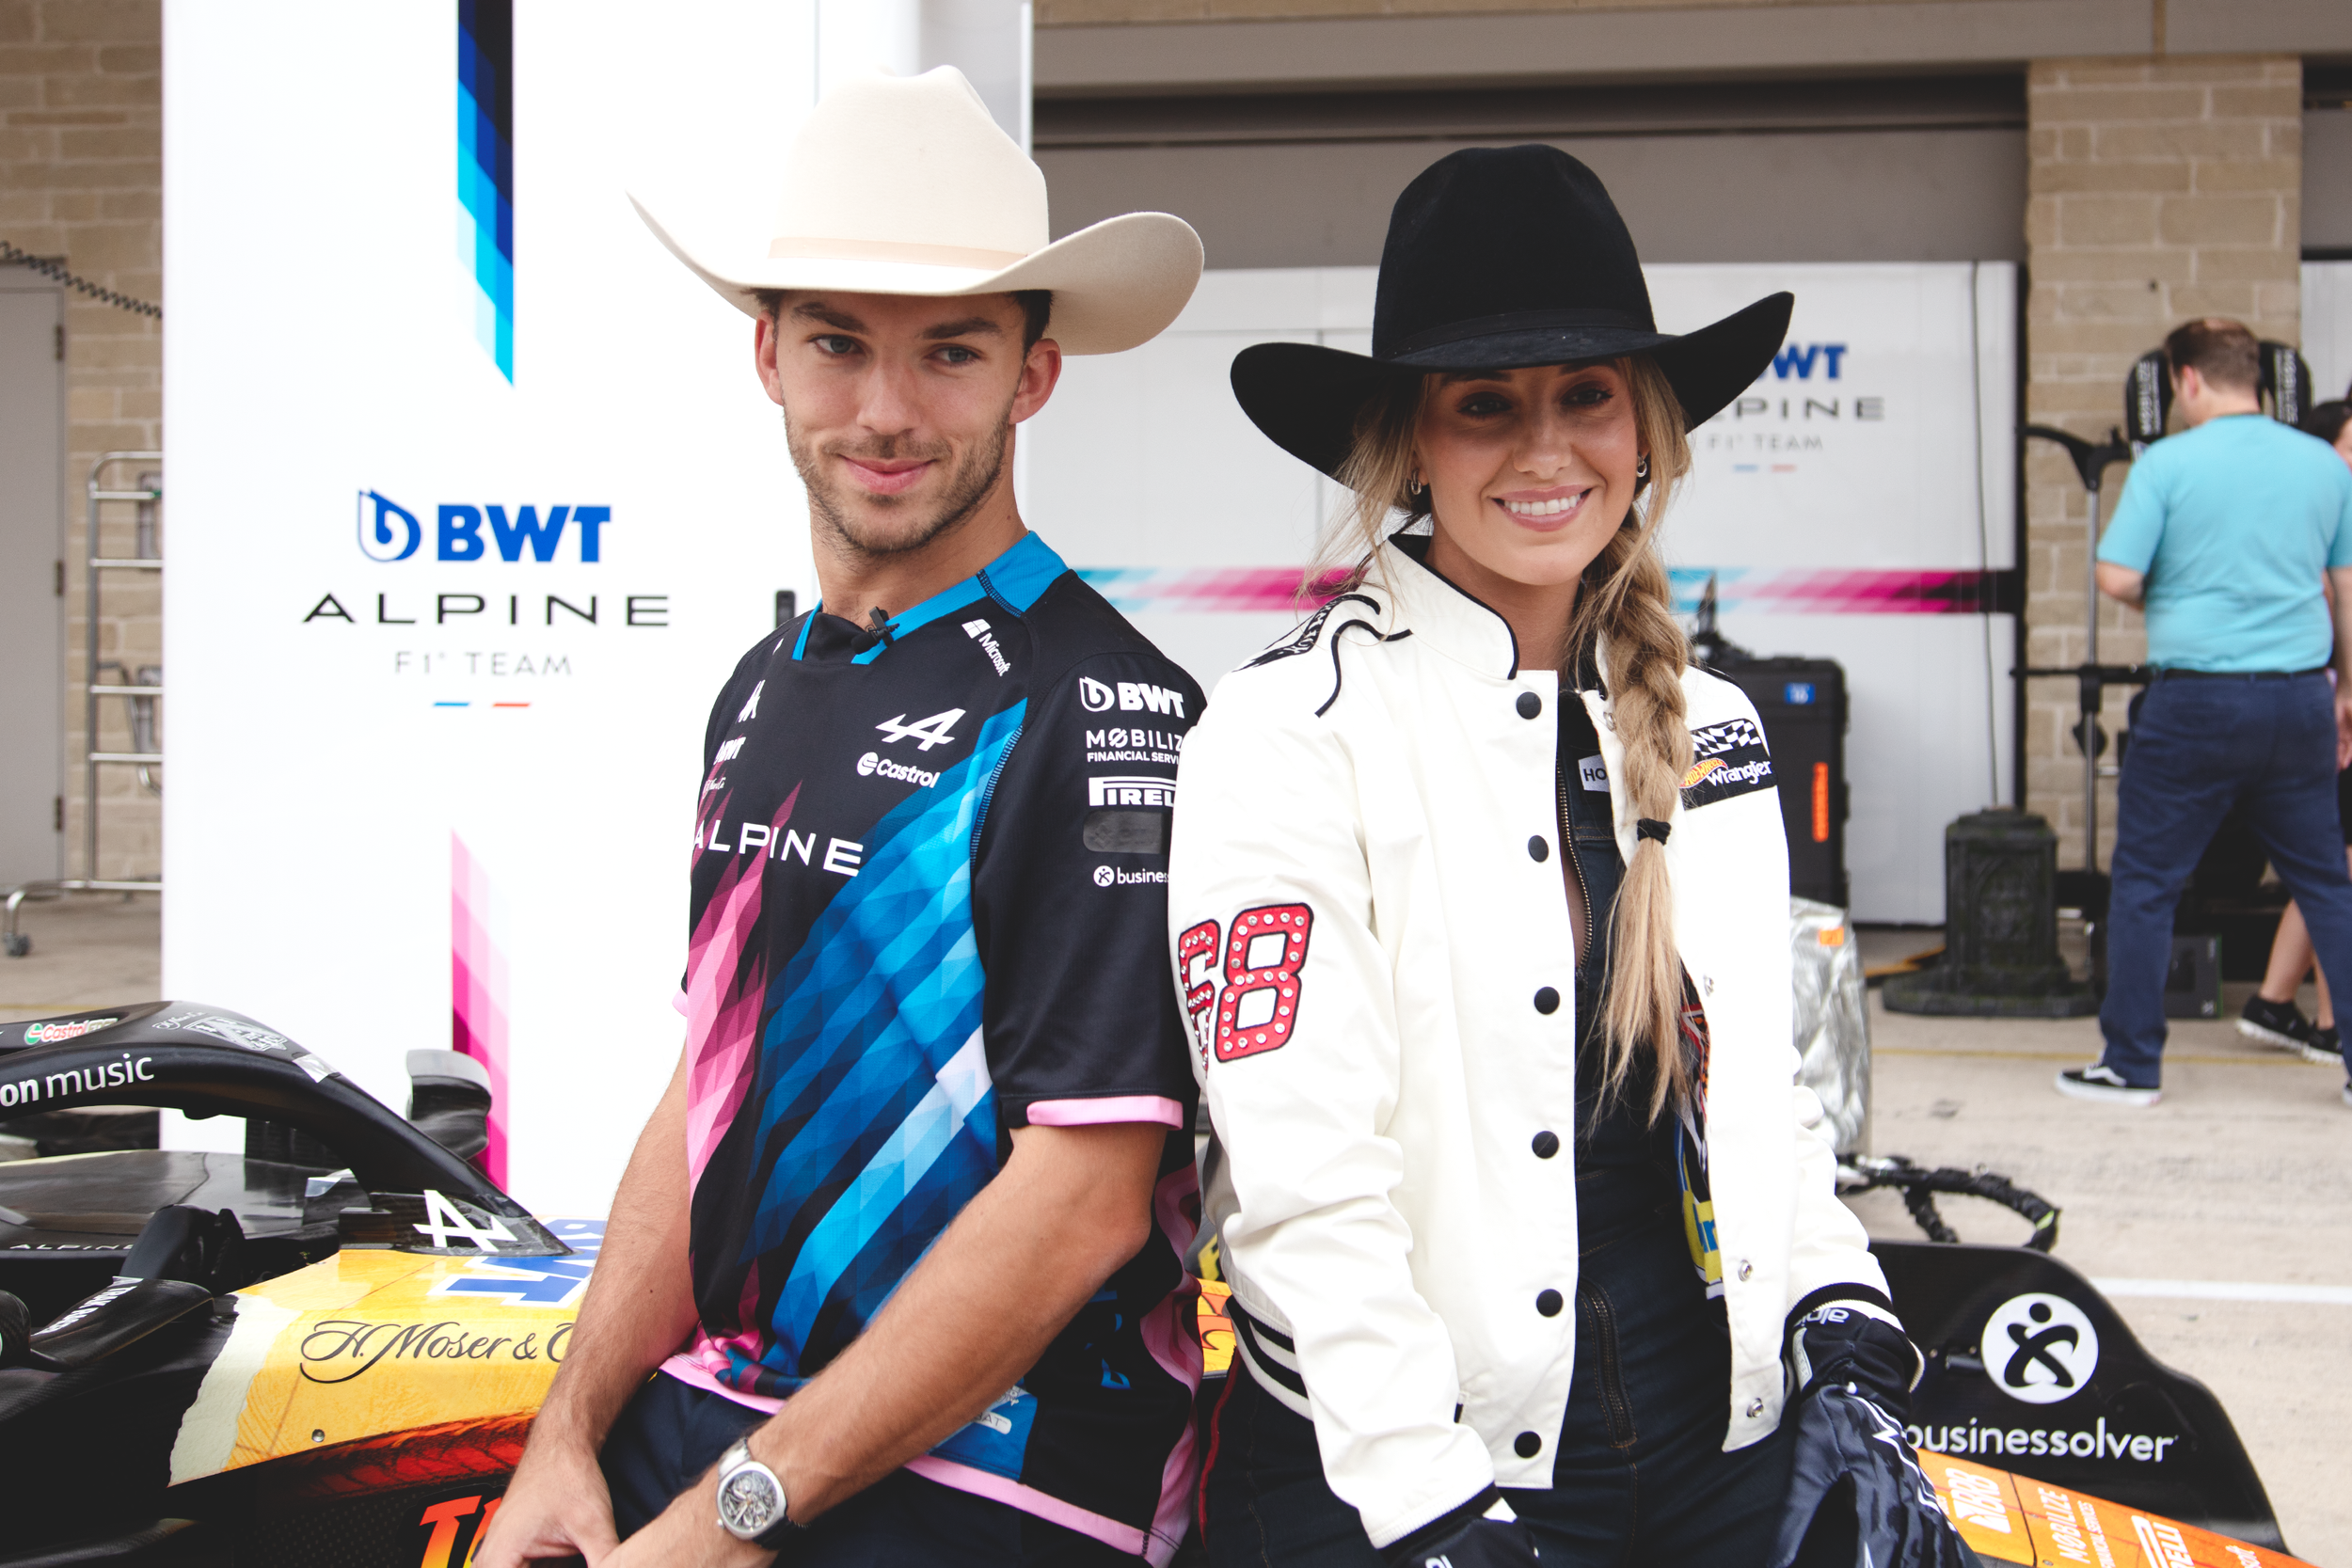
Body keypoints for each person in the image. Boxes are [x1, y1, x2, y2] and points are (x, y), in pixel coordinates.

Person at [1169, 146, 1964, 1568]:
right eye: (1487, 405)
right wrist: (1427, 1502)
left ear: (1648, 425)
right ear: (1411, 441)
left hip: (1724, 1450)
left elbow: (1759, 1101)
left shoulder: (1711, 724)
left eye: (1587, 393)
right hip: (1400, 1468)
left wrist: (1843, 1326)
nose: (1548, 450)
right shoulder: (1285, 729)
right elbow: (1302, 1184)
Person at [475, 69, 1209, 1567]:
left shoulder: (1106, 705)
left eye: (950, 351)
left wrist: (740, 1511)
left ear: (1033, 376)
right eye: (837, 344)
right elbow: (711, 1089)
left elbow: (1082, 1201)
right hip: (721, 1427)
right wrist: (565, 1431)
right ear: (766, 355)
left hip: (1000, 1475)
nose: (885, 411)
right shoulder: (761, 684)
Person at [2073, 326, 2352, 1109]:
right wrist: (2346, 691)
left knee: (2147, 882)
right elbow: (2345, 586)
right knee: (2327, 885)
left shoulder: (2167, 463)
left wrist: (2164, 586)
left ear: (2186, 379)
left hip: (2195, 700)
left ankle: (2131, 1065)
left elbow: (2118, 574)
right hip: (2299, 695)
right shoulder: (2323, 464)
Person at [2238, 401, 2352, 1067]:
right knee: (2335, 869)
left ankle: (2276, 1002)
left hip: (2324, 710)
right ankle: (2333, 1021)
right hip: (2328, 714)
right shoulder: (2316, 526)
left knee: (2330, 868)